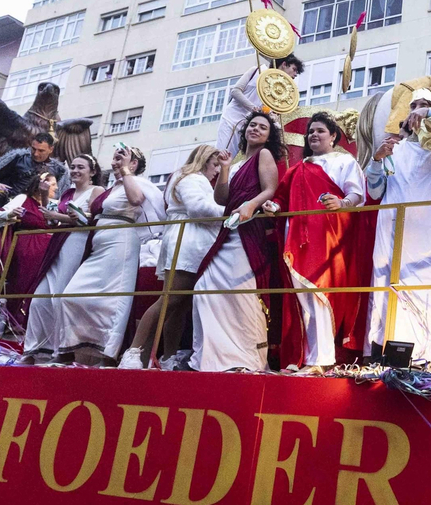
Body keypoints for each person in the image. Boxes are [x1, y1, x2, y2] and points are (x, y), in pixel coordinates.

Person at [366, 89, 431, 371]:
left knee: (426, 291)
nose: (418, 110)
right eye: (414, 106)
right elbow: (375, 192)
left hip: (428, 238)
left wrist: (428, 114)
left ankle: (425, 360)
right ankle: (383, 357)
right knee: (386, 292)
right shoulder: (394, 149)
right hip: (391, 234)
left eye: (426, 105)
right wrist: (377, 160)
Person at [56, 144, 164, 366]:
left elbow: (136, 200)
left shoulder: (137, 182)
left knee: (113, 301)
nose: (114, 163)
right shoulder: (112, 187)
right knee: (70, 295)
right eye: (114, 159)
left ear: (134, 163)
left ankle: (107, 353)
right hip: (99, 243)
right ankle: (72, 348)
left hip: (121, 242)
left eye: (120, 158)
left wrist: (125, 172)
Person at [193, 112, 285, 372]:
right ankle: (215, 357)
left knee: (241, 292)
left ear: (269, 136)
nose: (256, 129)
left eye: (263, 127)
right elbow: (221, 199)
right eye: (252, 125)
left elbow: (270, 189)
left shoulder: (263, 155)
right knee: (204, 287)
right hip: (229, 228)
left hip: (249, 229)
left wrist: (250, 205)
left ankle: (246, 358)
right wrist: (224, 168)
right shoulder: (237, 163)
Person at [123, 146, 226, 370]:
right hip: (187, 240)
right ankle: (134, 351)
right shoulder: (192, 178)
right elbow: (198, 209)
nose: (217, 170)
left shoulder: (187, 178)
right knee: (169, 300)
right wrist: (230, 211)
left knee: (179, 305)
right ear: (204, 160)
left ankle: (168, 356)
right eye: (215, 164)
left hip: (187, 240)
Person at [279, 112, 368, 369]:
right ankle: (304, 357)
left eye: (320, 131)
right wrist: (274, 205)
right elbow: (282, 198)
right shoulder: (298, 168)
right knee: (302, 298)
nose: (314, 135)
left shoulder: (344, 161)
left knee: (320, 293)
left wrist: (341, 203)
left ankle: (322, 359)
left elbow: (357, 195)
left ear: (333, 137)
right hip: (296, 239)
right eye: (311, 132)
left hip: (328, 237)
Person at [21, 154, 103, 363]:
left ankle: (62, 351)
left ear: (92, 172)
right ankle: (33, 350)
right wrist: (44, 196)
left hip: (77, 242)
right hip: (58, 243)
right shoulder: (68, 193)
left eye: (81, 167)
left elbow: (91, 221)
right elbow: (51, 221)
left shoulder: (97, 191)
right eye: (73, 167)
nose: (75, 170)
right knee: (39, 300)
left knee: (60, 296)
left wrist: (58, 217)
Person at [0, 132, 64, 280]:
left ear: (51, 149)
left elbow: (59, 194)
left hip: (37, 211)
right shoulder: (18, 158)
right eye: (33, 149)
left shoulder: (57, 169)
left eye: (41, 150)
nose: (36, 153)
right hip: (11, 203)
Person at [0, 168, 60, 336]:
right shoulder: (23, 199)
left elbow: (56, 223)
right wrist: (10, 213)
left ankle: (31, 324)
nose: (56, 188)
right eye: (53, 184)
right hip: (25, 249)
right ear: (41, 185)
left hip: (48, 252)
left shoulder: (53, 204)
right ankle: (12, 322)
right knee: (20, 283)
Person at [216, 55, 304, 150]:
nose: (295, 74)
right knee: (222, 153)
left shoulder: (281, 92)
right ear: (284, 64)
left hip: (251, 129)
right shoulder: (257, 70)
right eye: (294, 69)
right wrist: (253, 108)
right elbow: (235, 91)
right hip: (231, 120)